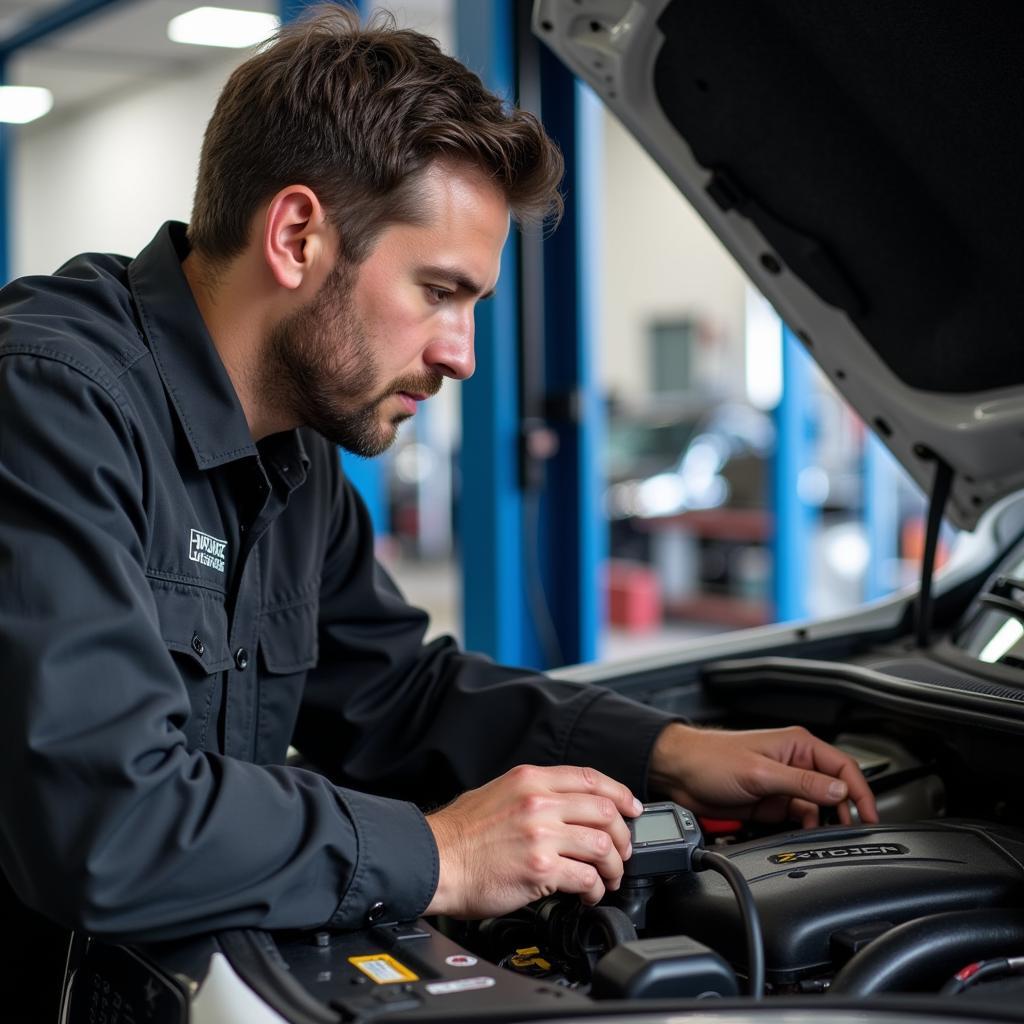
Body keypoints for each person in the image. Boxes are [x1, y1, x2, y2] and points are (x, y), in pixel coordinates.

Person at [0, 1, 876, 987]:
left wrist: (666, 751)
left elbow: (391, 694)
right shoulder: (51, 398)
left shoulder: (293, 451)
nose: (460, 353)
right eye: (438, 290)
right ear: (296, 236)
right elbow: (104, 821)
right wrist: (445, 853)